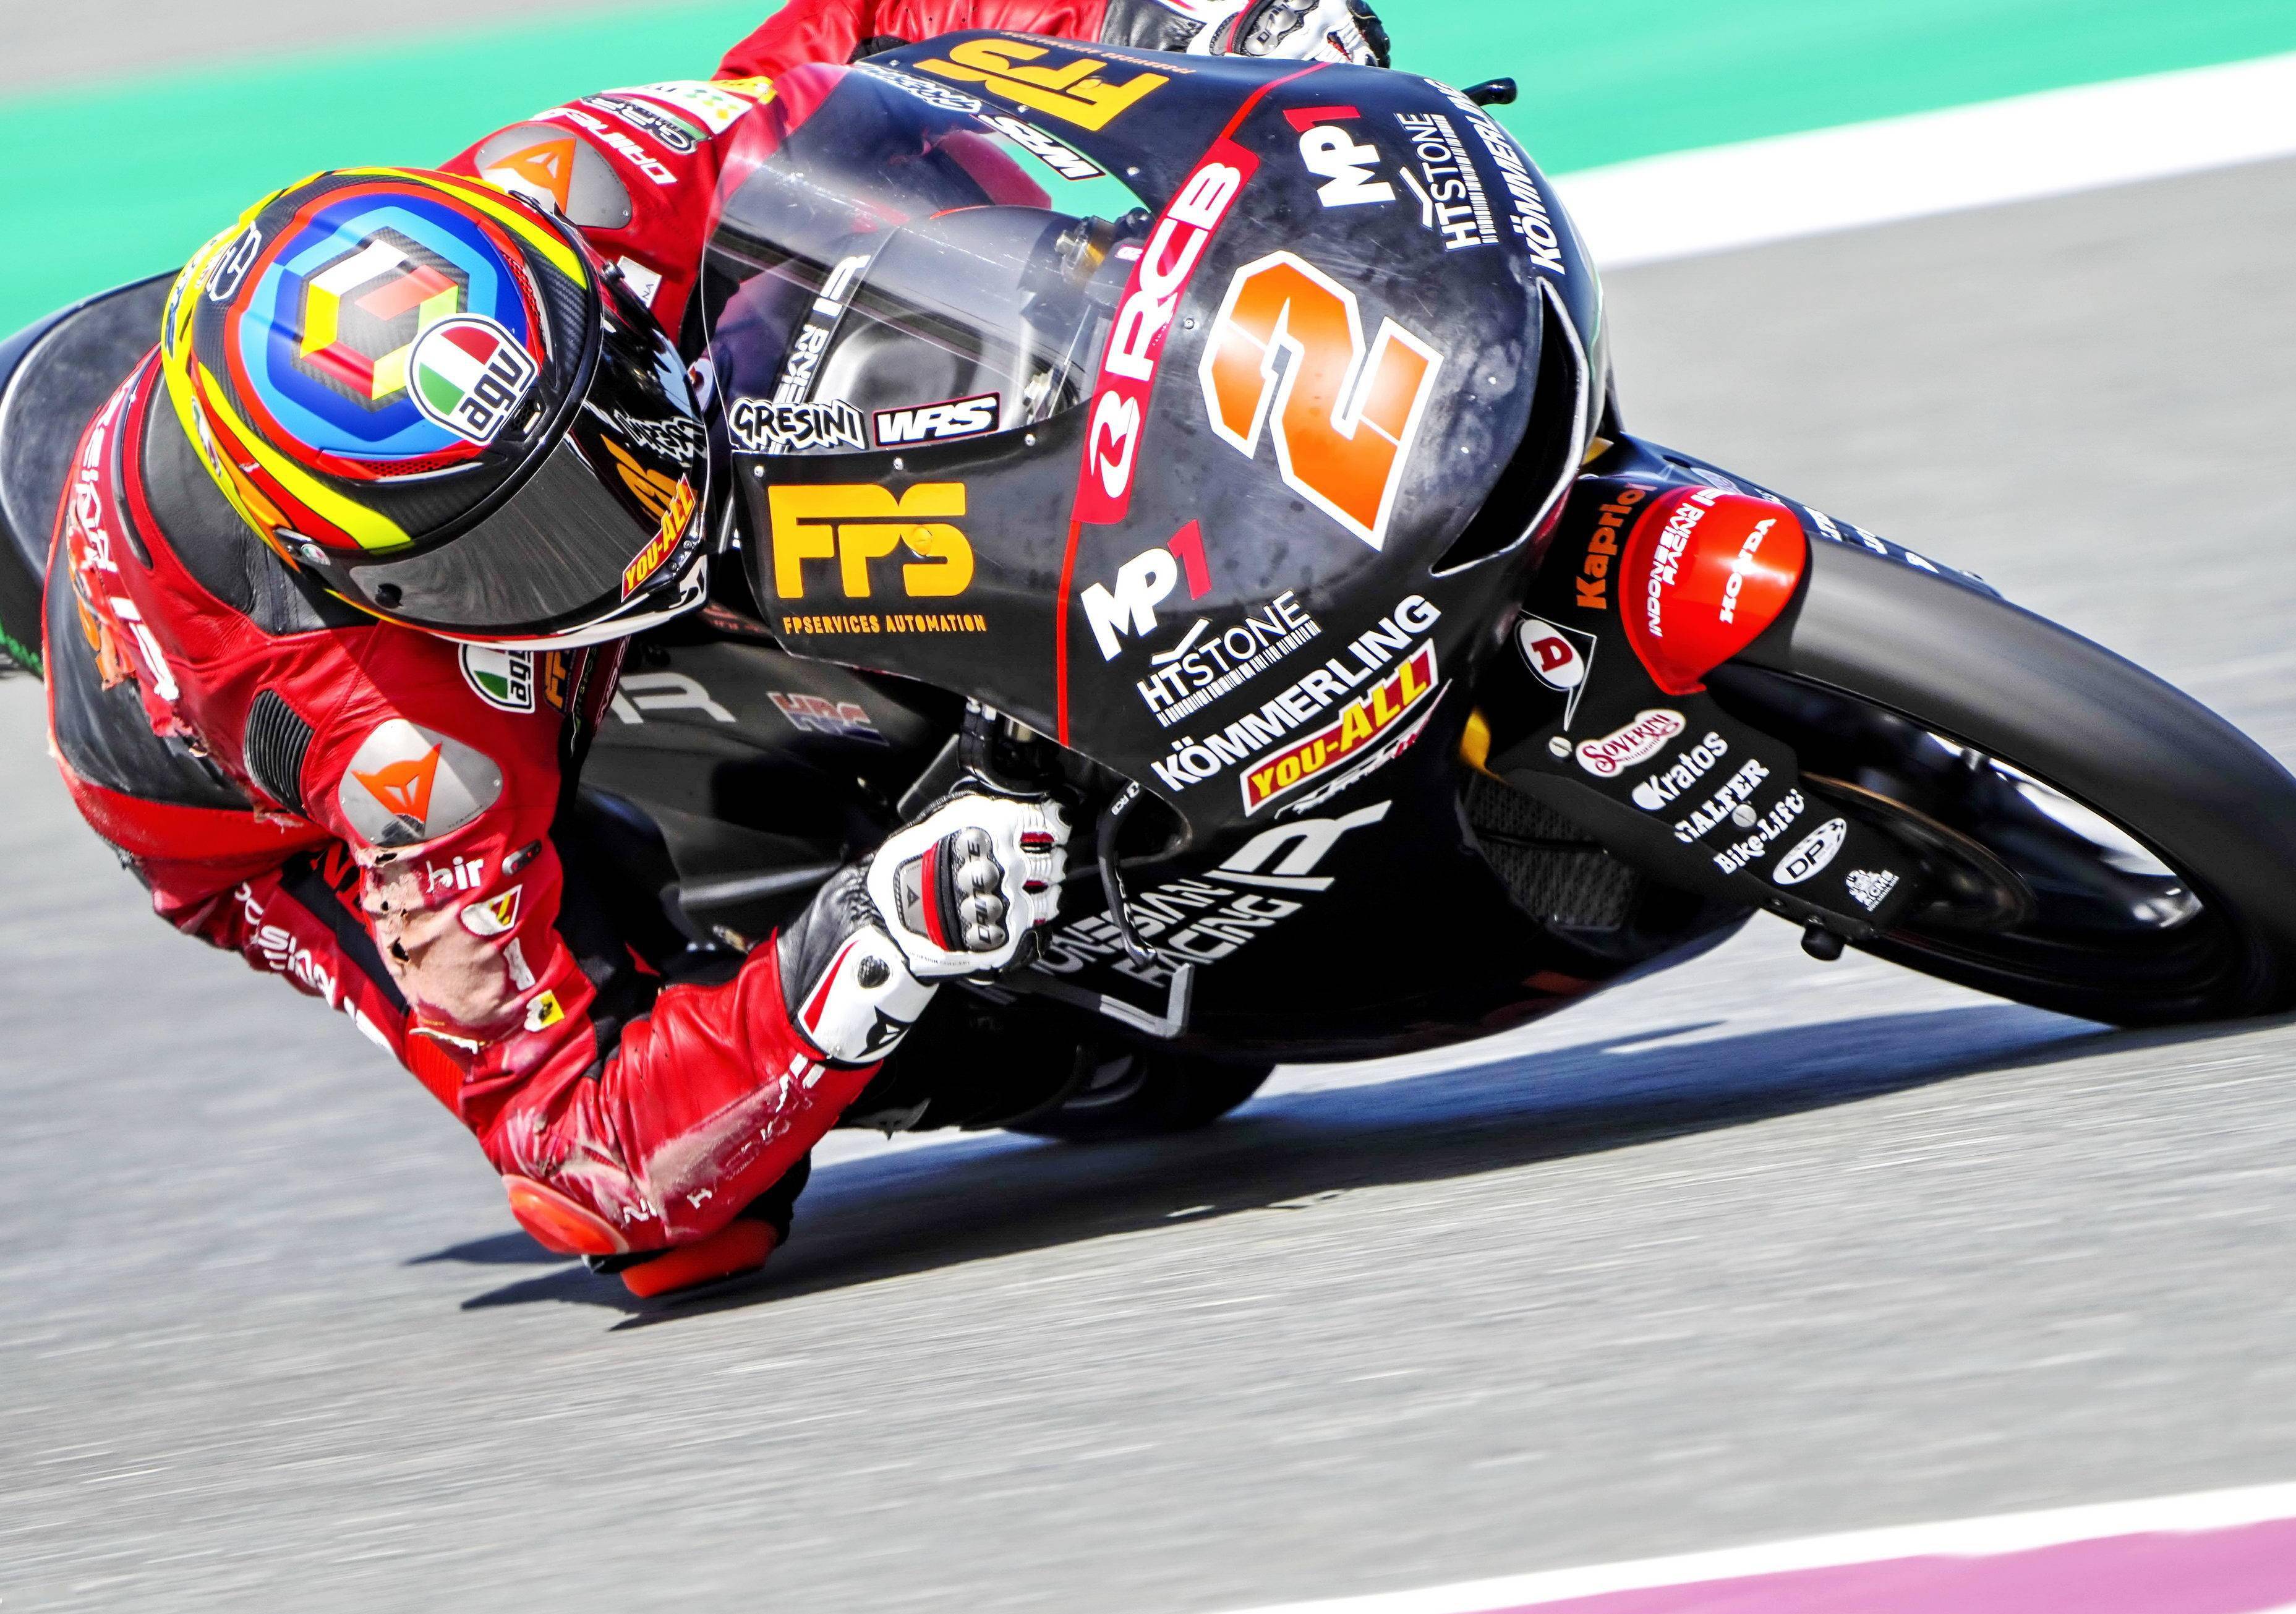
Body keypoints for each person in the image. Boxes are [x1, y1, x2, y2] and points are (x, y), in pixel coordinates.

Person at [40, 0, 1389, 1297]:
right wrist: (880, 938)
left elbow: (860, 45)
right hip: (234, 803)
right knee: (694, 1233)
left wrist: (1175, 24)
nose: (628, 530)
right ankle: (1030, 1044)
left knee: (855, 206)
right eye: (535, 538)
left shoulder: (566, 186)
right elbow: (581, 1157)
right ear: (384, 581)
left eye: (604, 432)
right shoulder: (405, 757)